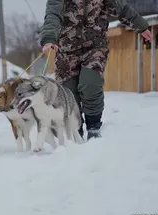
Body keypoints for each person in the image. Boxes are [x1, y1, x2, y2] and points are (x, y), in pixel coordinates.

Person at [39, 0, 152, 140]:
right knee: (69, 96)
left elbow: (121, 8)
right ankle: (75, 133)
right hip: (66, 52)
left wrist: (142, 26)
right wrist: (49, 37)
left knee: (90, 85)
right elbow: (53, 14)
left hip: (94, 47)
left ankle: (94, 128)